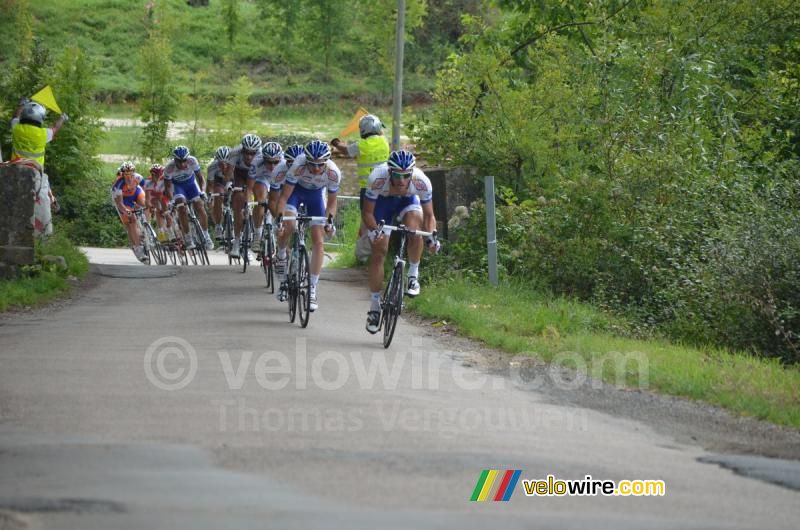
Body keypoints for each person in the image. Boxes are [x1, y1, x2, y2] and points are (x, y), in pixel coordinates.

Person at [362, 150, 440, 334]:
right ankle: (374, 307)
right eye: (397, 175)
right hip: (382, 204)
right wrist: (376, 231)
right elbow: (367, 213)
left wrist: (431, 238)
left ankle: (413, 276)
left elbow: (429, 216)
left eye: (406, 176)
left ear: (412, 173)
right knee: (379, 251)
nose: (401, 180)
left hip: (407, 202)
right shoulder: (377, 179)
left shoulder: (421, 181)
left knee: (415, 229)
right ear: (390, 172)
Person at [274, 140, 339, 311]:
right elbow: (283, 197)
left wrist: (329, 221)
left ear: (327, 162)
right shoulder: (298, 165)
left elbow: (332, 203)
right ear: (306, 160)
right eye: (312, 164)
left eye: (320, 165)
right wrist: (280, 219)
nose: (316, 169)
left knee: (319, 241)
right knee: (289, 226)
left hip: (316, 196)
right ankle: (281, 253)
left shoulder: (333, 172)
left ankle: (312, 288)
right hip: (295, 193)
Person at [9, 99, 68, 233]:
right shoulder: (43, 134)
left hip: (15, 170)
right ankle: (53, 203)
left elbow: (15, 117)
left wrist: (22, 105)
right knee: (44, 184)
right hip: (35, 173)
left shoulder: (17, 128)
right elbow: (55, 128)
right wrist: (62, 118)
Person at [164, 145, 213, 250]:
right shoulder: (169, 168)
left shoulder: (192, 161)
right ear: (175, 159)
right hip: (178, 187)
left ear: (187, 159)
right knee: (181, 208)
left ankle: (206, 236)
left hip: (191, 185)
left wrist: (203, 191)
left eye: (184, 161)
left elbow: (201, 178)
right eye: (179, 161)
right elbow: (167, 187)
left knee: (200, 206)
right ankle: (188, 237)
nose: (182, 164)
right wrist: (172, 200)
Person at [223, 134, 263, 259]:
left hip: (257, 175)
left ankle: (258, 234)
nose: (249, 156)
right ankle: (236, 241)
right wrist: (229, 183)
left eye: (252, 153)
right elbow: (229, 172)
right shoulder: (235, 152)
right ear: (242, 150)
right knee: (238, 202)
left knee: (260, 199)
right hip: (240, 174)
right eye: (246, 152)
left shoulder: (262, 154)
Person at [249, 141, 287, 253]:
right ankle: (257, 234)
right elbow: (249, 187)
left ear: (280, 158)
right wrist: (247, 203)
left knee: (279, 201)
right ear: (263, 159)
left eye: (276, 162)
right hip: (263, 178)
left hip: (279, 180)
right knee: (260, 199)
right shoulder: (256, 162)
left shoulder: (285, 163)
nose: (272, 166)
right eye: (269, 162)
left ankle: (278, 226)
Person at [111, 161, 148, 263]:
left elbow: (146, 190)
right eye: (125, 174)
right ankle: (138, 248)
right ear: (122, 174)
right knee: (131, 220)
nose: (128, 177)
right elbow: (120, 203)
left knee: (146, 204)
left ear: (134, 173)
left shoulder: (138, 178)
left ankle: (146, 225)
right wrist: (126, 211)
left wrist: (149, 203)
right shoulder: (118, 184)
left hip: (136, 193)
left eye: (130, 174)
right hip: (123, 201)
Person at [206, 146, 231, 241]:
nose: (224, 166)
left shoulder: (235, 164)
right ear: (217, 161)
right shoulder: (212, 166)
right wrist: (210, 197)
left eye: (226, 163)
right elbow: (210, 186)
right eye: (221, 163)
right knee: (217, 195)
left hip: (233, 180)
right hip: (219, 182)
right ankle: (218, 226)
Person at [143, 164, 172, 243]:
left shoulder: (165, 179)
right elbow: (147, 199)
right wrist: (150, 207)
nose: (155, 177)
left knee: (169, 211)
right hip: (154, 198)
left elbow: (170, 192)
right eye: (153, 175)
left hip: (163, 197)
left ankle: (173, 231)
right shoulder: (148, 182)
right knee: (158, 209)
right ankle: (161, 233)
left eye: (158, 174)